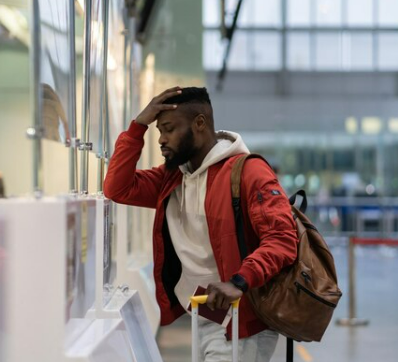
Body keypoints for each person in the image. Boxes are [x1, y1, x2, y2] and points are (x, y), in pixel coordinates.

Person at [104, 86, 298, 362]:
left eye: (169, 129)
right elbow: (117, 188)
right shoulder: (172, 179)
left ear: (199, 123)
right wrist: (138, 126)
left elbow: (282, 238)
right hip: (203, 314)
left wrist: (239, 281)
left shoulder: (248, 172)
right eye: (159, 131)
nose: (161, 139)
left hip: (241, 320)